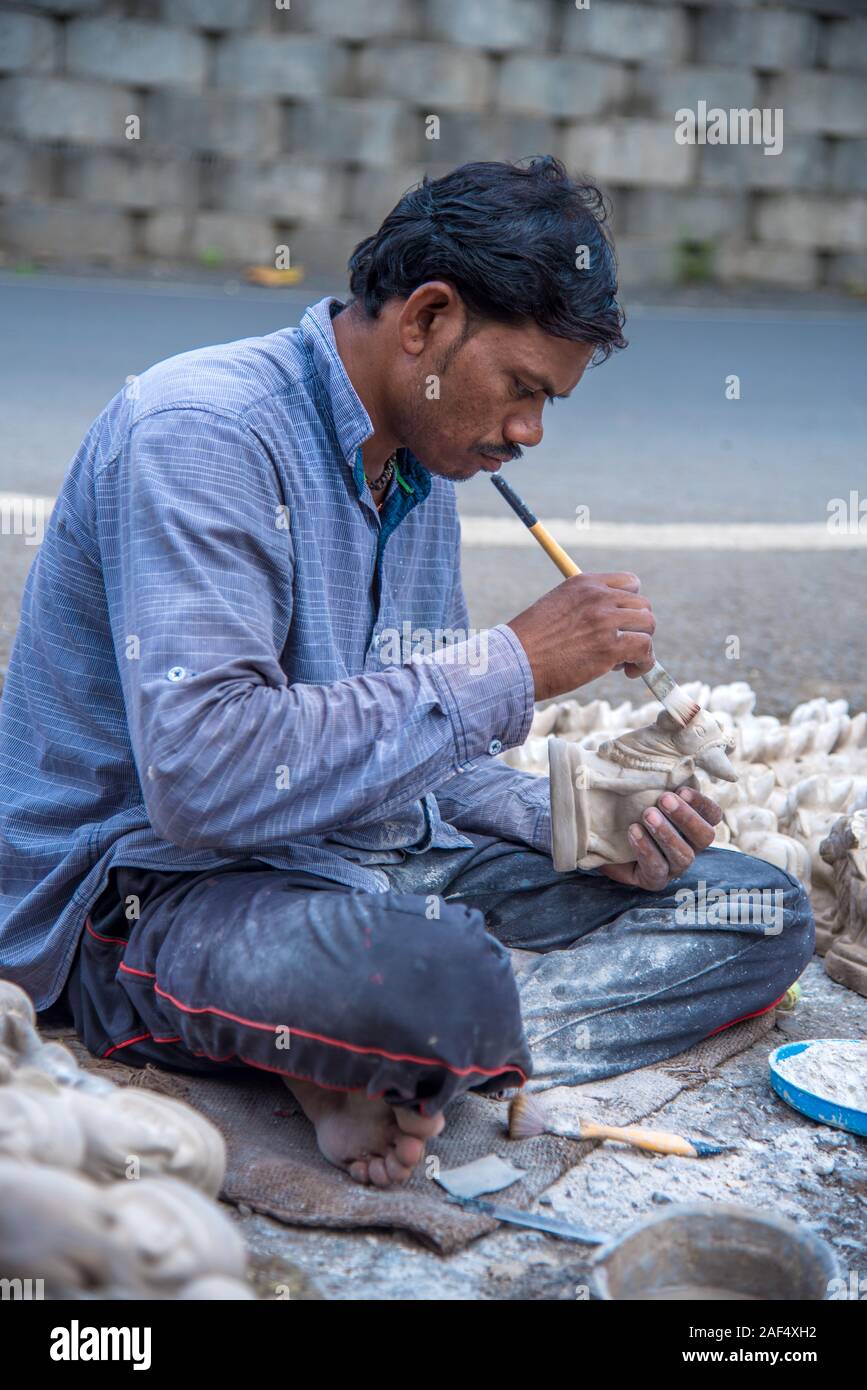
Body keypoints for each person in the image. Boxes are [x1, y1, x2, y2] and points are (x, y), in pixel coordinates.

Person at [0, 157, 813, 1189]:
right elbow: (204, 781)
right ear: (427, 319)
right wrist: (513, 662)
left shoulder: (422, 464)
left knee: (751, 905)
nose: (530, 432)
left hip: (371, 862)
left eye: (548, 402)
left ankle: (396, 1059)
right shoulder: (202, 432)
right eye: (522, 389)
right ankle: (415, 1035)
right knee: (429, 971)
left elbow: (414, 750)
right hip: (168, 888)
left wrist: (577, 826)